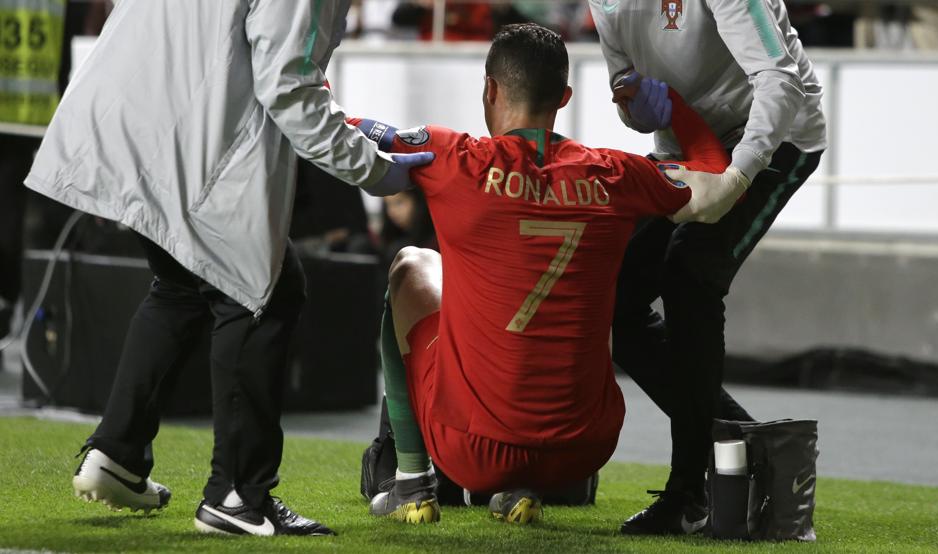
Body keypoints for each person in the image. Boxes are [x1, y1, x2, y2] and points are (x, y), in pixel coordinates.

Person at [24, 0, 431, 537]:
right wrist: (377, 171)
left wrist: (349, 129)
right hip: (185, 138)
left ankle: (116, 453)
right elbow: (288, 89)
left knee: (180, 286)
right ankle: (237, 495)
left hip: (123, 114)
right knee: (264, 291)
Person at [347, 23, 741, 525]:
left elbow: (350, 129)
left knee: (411, 265)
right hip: (583, 448)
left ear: (490, 89)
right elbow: (714, 177)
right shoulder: (616, 175)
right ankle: (520, 488)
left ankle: (410, 484)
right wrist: (677, 111)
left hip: (471, 448)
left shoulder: (454, 158)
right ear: (565, 96)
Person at [589, 0, 827, 535]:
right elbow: (626, 85)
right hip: (690, 145)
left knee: (691, 273)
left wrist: (738, 179)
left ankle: (690, 490)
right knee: (613, 294)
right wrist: (634, 108)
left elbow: (779, 81)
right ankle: (747, 446)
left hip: (777, 135)